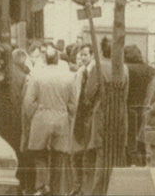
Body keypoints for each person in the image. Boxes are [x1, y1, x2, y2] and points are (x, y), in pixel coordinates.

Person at [25, 42, 76, 195]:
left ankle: (42, 186)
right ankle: (56, 190)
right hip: (61, 119)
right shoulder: (68, 77)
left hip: (41, 118)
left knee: (39, 154)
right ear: (58, 59)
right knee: (59, 157)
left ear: (45, 59)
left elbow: (29, 101)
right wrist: (68, 116)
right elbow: (73, 104)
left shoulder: (37, 75)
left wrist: (33, 115)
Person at [84, 36, 128, 195]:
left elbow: (89, 93)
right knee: (116, 158)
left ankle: (98, 192)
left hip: (102, 115)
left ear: (102, 51)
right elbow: (125, 96)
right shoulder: (124, 68)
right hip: (120, 118)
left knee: (100, 158)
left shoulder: (98, 67)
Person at [68, 44, 93, 196]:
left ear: (91, 55)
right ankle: (77, 186)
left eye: (85, 55)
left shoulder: (93, 72)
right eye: (80, 55)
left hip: (87, 117)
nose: (82, 58)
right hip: (77, 116)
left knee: (85, 155)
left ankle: (84, 187)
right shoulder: (80, 72)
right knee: (76, 154)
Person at [124, 44, 153, 166]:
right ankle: (141, 165)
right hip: (144, 109)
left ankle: (130, 164)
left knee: (129, 140)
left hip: (128, 109)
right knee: (141, 140)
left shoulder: (125, 69)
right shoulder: (150, 70)